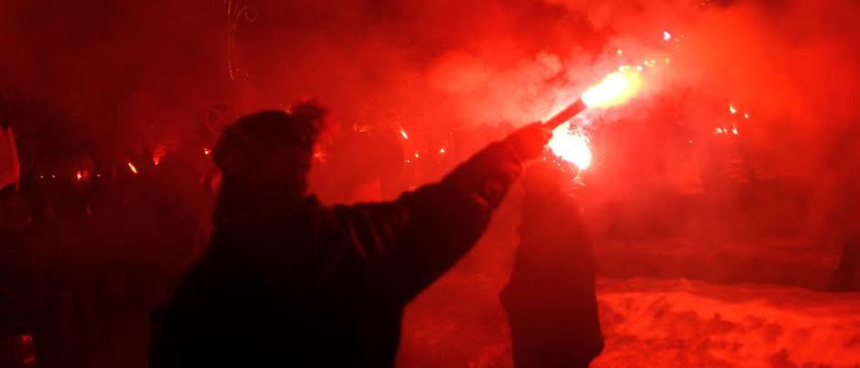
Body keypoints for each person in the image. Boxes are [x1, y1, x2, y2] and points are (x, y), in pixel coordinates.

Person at [150, 103, 551, 367]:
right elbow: (449, 206)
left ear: (228, 180)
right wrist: (511, 153)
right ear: (299, 173)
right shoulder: (353, 244)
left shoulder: (197, 292)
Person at [501, 161, 604, 368]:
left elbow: (540, 275)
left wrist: (513, 297)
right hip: (562, 334)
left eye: (530, 186)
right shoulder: (556, 214)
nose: (525, 191)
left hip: (554, 337)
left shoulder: (552, 218)